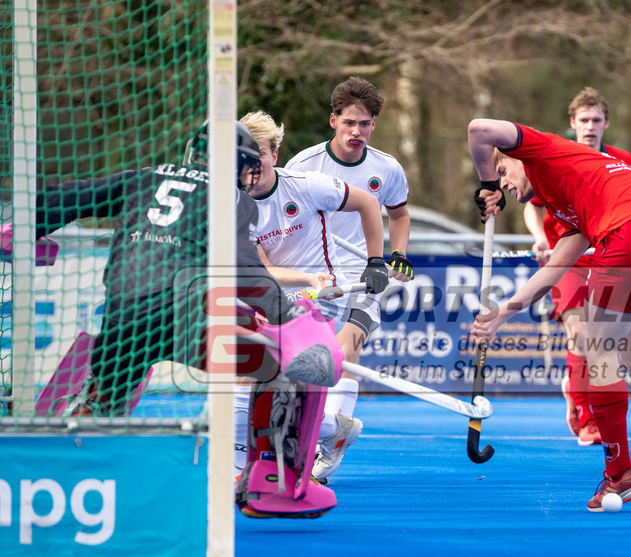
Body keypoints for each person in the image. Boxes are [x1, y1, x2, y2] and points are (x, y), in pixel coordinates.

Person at [33, 121, 346, 518]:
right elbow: (246, 273)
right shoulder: (232, 199)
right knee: (279, 364)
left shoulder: (144, 178)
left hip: (120, 318)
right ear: (234, 164)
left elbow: (65, 196)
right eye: (247, 166)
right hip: (181, 321)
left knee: (107, 399)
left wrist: (24, 231)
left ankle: (52, 474)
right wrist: (290, 320)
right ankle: (273, 482)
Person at [467, 118, 631, 512]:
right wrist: (504, 312)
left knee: (600, 351)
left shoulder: (540, 149)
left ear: (516, 157)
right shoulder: (570, 199)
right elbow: (555, 267)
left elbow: (478, 129)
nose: (504, 182)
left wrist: (485, 182)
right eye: (498, 179)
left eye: (504, 171)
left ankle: (620, 473)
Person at [238, 110, 388, 481]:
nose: (253, 163)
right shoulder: (235, 206)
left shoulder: (306, 185)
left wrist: (376, 261)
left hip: (326, 298)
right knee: (257, 380)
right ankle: (332, 428)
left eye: (261, 153)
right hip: (277, 293)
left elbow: (368, 203)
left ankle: (239, 471)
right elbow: (260, 270)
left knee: (254, 375)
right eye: (245, 155)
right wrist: (304, 276)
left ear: (274, 154)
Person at [285, 76, 414, 481]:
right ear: (333, 121)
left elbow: (399, 214)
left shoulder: (387, 168)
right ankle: (328, 430)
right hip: (317, 278)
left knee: (347, 348)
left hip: (366, 275)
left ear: (374, 124)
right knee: (306, 361)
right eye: (349, 123)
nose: (357, 132)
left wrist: (398, 254)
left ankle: (333, 442)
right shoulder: (303, 166)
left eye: (365, 124)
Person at [522, 87, 631, 446]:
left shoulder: (622, 159)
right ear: (572, 124)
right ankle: (588, 417)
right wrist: (540, 236)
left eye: (596, 120)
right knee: (582, 334)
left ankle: (577, 388)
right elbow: (532, 203)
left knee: (605, 341)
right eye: (583, 120)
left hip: (606, 258)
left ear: (606, 123)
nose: (590, 127)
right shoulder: (560, 158)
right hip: (568, 259)